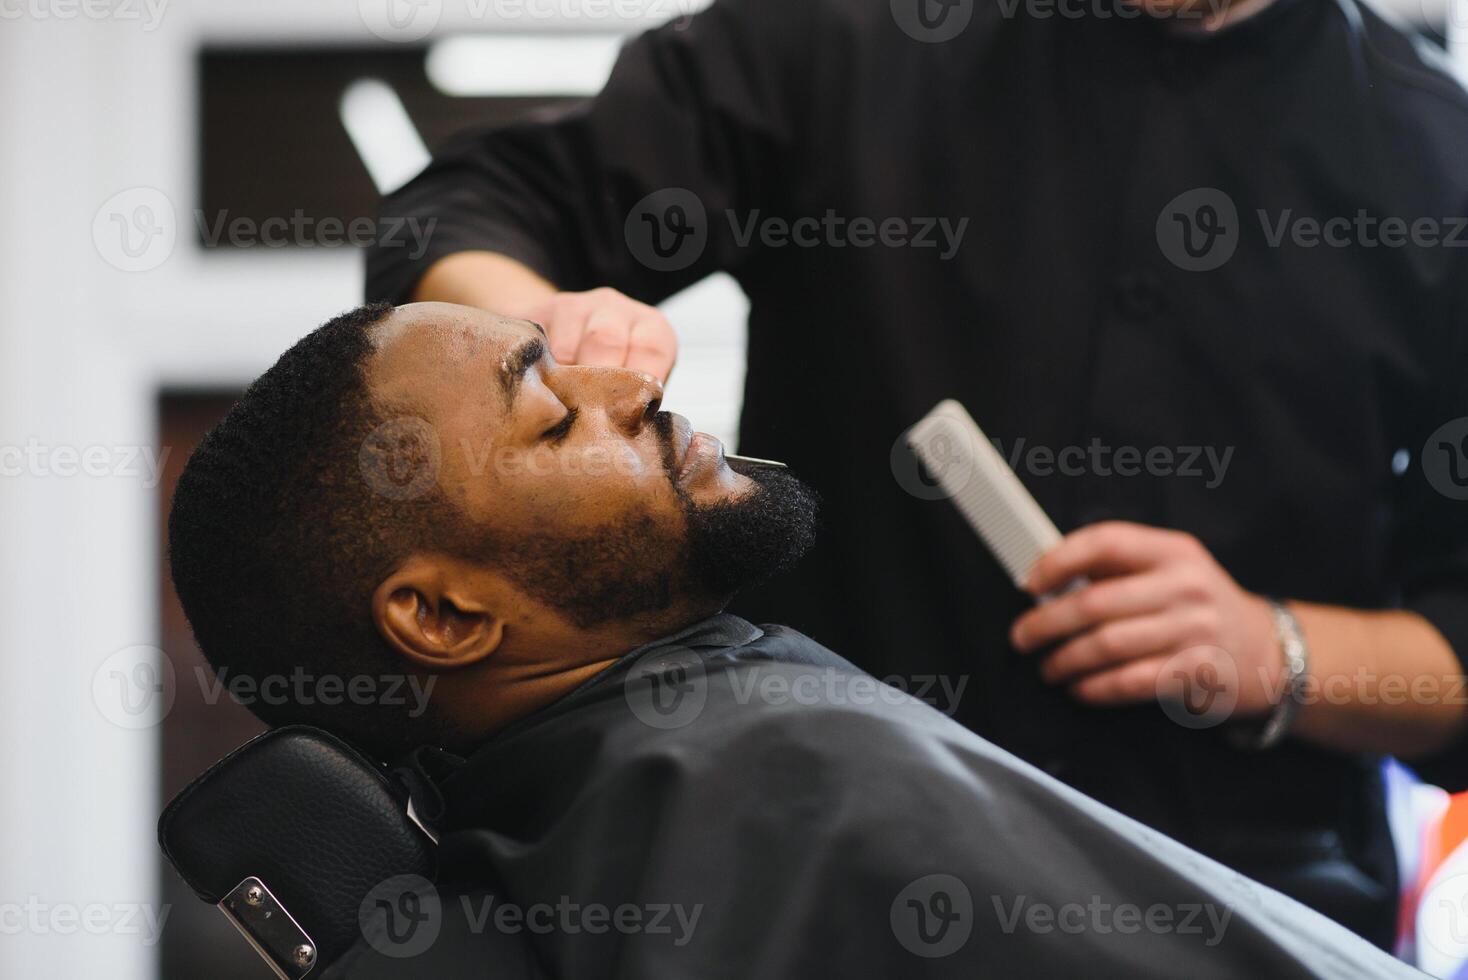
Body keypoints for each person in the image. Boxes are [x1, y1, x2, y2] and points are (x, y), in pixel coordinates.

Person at [363, 0, 1468, 945]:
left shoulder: (1435, 155)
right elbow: (462, 206)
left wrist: (1278, 650)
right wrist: (540, 342)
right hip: (813, 890)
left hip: (1244, 909)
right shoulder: (849, 34)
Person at [168, 302, 1422, 978]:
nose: (631, 383)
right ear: (445, 616)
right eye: (554, 416)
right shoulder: (765, 789)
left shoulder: (659, 791)